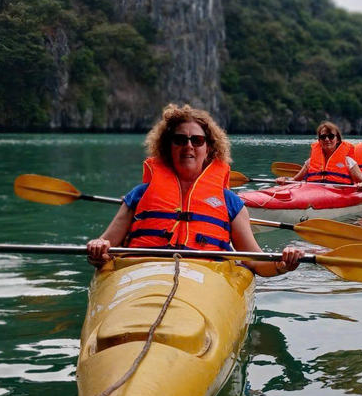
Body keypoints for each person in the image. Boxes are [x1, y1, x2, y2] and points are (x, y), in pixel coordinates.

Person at [86, 104, 303, 276]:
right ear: (168, 146)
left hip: (206, 279)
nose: (188, 145)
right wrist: (97, 249)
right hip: (143, 273)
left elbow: (255, 260)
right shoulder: (139, 195)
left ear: (208, 149)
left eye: (197, 140)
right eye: (180, 139)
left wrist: (282, 264)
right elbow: (106, 245)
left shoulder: (231, 203)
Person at [276, 121, 362, 189]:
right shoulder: (310, 161)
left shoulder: (348, 162)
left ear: (337, 140)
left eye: (331, 136)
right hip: (313, 192)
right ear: (319, 140)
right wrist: (285, 180)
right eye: (323, 137)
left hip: (338, 194)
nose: (327, 139)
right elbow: (296, 179)